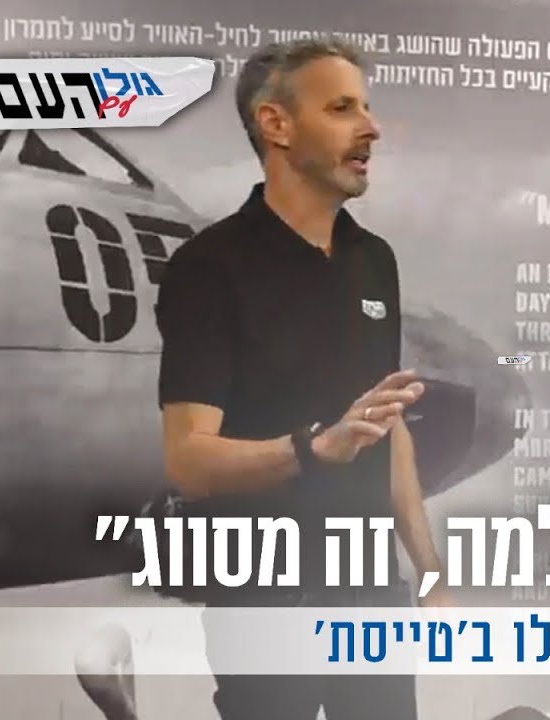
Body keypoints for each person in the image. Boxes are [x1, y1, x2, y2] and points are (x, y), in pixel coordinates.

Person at [155, 38, 448, 720]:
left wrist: (429, 573)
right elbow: (189, 460)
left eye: (366, 107)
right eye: (343, 109)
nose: (371, 128)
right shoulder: (209, 266)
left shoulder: (374, 260)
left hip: (373, 602)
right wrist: (311, 449)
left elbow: (387, 427)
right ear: (276, 124)